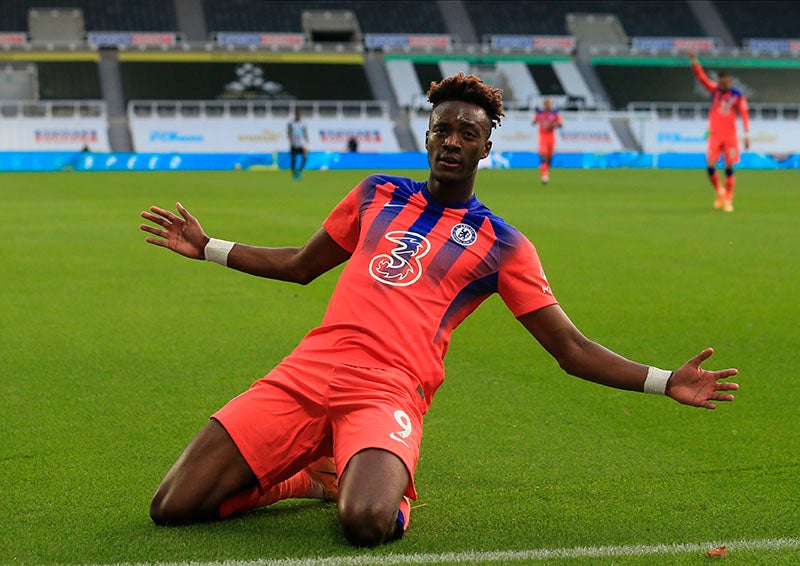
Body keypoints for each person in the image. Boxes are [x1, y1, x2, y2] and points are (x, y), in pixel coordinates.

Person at [140, 73, 739, 548]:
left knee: (365, 524)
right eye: (442, 128)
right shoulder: (376, 193)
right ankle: (305, 478)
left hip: (388, 391)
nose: (452, 140)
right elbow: (300, 264)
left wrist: (665, 382)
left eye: (467, 133)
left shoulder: (504, 244)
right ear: (427, 135)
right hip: (309, 371)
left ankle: (361, 481)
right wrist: (210, 248)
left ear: (485, 148)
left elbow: (571, 350)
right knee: (172, 508)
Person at [689, 50, 750, 212]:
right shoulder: (714, 91)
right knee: (710, 165)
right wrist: (694, 61)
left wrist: (747, 134)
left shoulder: (737, 95)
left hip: (730, 136)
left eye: (727, 81)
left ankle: (728, 200)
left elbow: (744, 114)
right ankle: (719, 191)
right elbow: (701, 78)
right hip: (715, 134)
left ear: (729, 81)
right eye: (722, 82)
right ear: (719, 81)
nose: (725, 84)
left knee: (729, 167)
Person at [532, 99, 563, 184]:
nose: (548, 106)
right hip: (543, 137)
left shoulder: (555, 114)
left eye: (549, 104)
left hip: (551, 137)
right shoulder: (540, 113)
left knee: (550, 158)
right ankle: (544, 175)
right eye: (546, 104)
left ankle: (545, 169)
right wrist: (536, 118)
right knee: (544, 156)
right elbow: (534, 122)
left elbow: (560, 124)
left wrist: (553, 125)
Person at [287, 109, 309, 180]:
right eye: (298, 115)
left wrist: (307, 142)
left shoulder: (303, 123)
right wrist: (290, 140)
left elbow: (305, 133)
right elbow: (289, 132)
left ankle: (300, 171)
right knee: (293, 159)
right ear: (296, 115)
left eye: (300, 115)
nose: (299, 116)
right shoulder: (291, 123)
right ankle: (294, 173)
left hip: (301, 144)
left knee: (305, 157)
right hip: (294, 144)